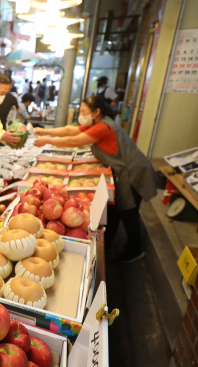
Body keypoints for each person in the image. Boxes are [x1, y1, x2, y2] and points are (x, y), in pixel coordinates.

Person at [33, 95, 157, 263]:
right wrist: (44, 131)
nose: (81, 114)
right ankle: (109, 243)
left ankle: (135, 250)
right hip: (123, 169)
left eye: (84, 111)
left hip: (133, 170)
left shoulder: (103, 127)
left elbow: (74, 140)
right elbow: (71, 131)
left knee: (129, 210)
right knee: (119, 208)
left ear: (96, 111)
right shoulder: (97, 123)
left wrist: (47, 140)